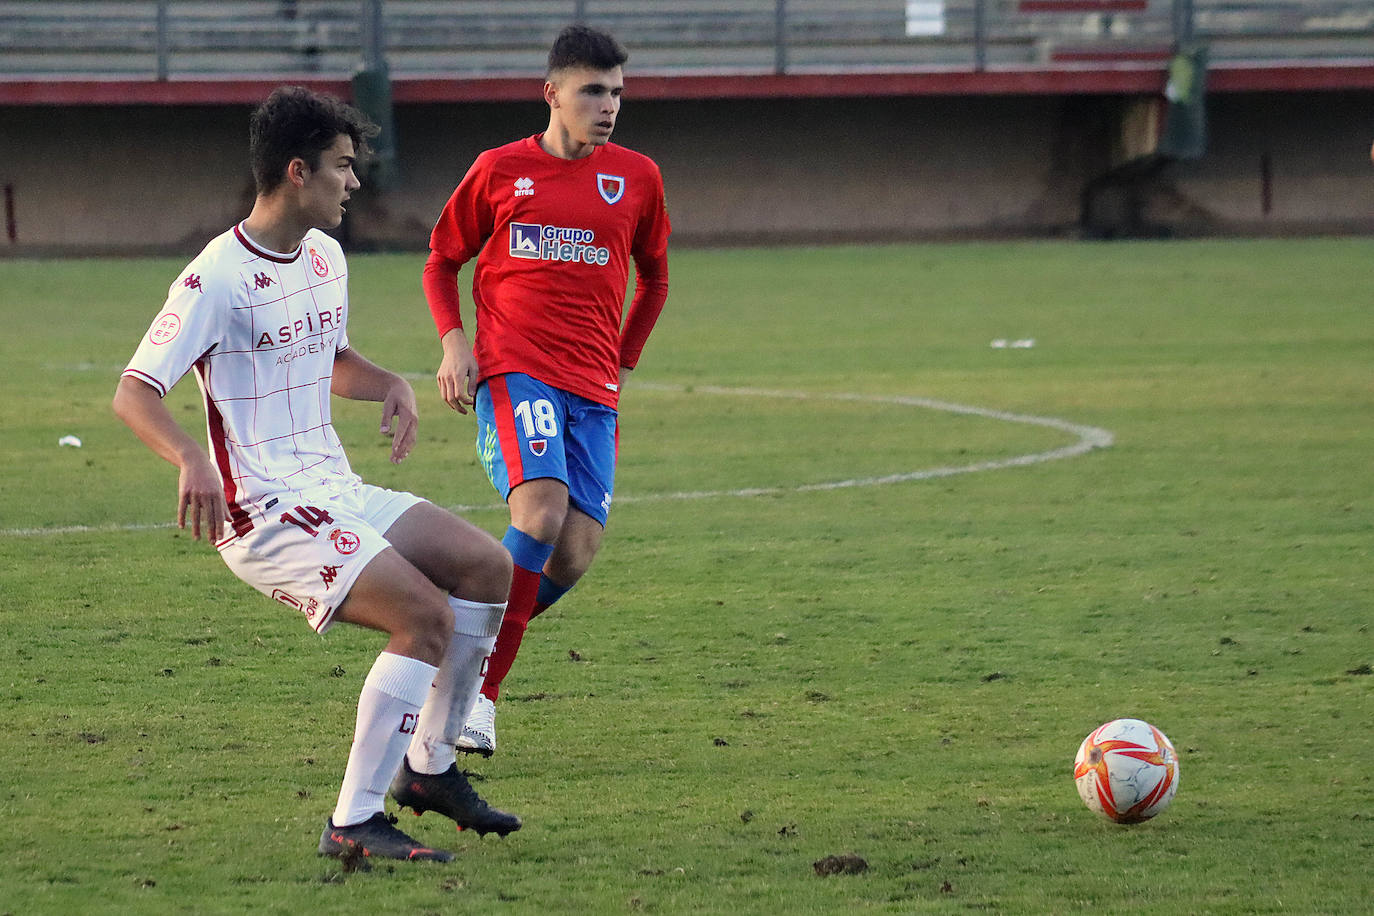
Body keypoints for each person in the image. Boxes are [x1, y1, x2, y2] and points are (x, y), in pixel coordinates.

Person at [113, 86, 522, 863]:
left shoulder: (326, 256)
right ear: (298, 172)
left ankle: (429, 769)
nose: (355, 182)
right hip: (264, 512)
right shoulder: (215, 279)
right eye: (343, 166)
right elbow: (133, 392)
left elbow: (328, 358)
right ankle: (353, 822)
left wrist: (391, 383)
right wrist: (191, 457)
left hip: (331, 485)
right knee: (425, 618)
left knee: (486, 565)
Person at [423, 25, 671, 756]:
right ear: (553, 93)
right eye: (594, 91)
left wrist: (622, 362)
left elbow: (656, 277)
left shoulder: (638, 178)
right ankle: (478, 698)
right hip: (516, 368)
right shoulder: (501, 170)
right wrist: (455, 344)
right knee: (539, 514)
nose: (610, 106)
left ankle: (455, 627)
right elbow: (442, 260)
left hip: (593, 388)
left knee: (574, 554)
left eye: (618, 92)